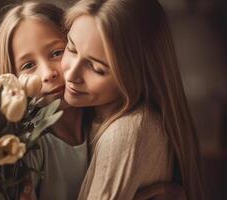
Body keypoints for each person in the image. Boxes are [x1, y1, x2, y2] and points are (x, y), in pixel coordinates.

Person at [0, 1, 187, 200]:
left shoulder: (108, 123)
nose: (49, 73)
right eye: (28, 66)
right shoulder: (24, 147)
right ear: (11, 79)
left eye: (57, 52)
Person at [61, 0, 204, 199]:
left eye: (97, 68)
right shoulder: (89, 115)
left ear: (136, 75)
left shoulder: (125, 132)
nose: (71, 75)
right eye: (71, 48)